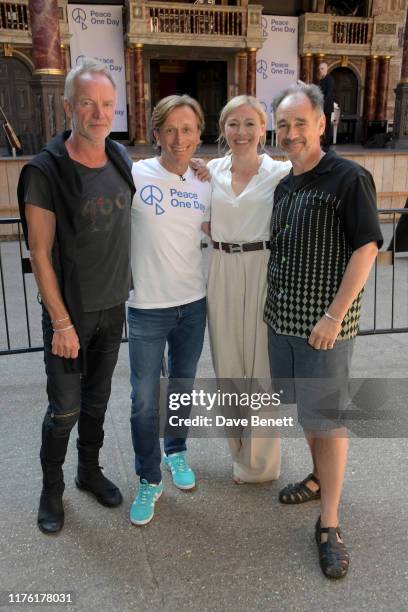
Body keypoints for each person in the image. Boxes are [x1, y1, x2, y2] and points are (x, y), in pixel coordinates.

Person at [265, 83, 382, 578]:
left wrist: (334, 317)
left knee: (328, 422)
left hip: (324, 328)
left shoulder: (349, 178)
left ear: (321, 125)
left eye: (299, 123)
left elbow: (366, 249)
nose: (290, 133)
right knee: (307, 414)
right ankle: (317, 479)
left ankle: (329, 523)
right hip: (282, 321)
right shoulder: (286, 183)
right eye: (284, 124)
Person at [17, 59, 135, 534]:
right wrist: (61, 323)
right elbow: (40, 255)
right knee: (64, 408)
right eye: (87, 103)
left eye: (107, 104)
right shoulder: (45, 171)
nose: (98, 113)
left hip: (112, 307)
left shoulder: (120, 158)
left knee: (97, 400)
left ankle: (89, 472)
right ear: (68, 107)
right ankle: (52, 488)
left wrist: (191, 167)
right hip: (70, 316)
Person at [128, 95, 211, 526]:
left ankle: (176, 451)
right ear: (156, 132)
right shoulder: (134, 173)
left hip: (192, 306)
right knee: (144, 401)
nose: (180, 139)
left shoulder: (205, 181)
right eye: (171, 129)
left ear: (200, 134)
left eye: (189, 129)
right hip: (146, 308)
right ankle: (147, 478)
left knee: (180, 388)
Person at [204, 95, 291, 483]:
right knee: (229, 366)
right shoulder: (210, 170)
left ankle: (261, 464)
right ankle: (239, 452)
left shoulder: (281, 172)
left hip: (261, 268)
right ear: (223, 129)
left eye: (249, 123)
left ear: (263, 128)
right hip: (221, 267)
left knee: (260, 368)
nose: (241, 132)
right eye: (233, 124)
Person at [317, 61, 335, 151]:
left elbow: (328, 94)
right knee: (321, 125)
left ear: (326, 69)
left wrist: (323, 107)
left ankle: (327, 145)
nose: (320, 70)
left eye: (322, 68)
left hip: (326, 108)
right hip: (321, 107)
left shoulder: (329, 79)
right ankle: (322, 142)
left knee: (327, 126)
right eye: (320, 69)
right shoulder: (321, 80)